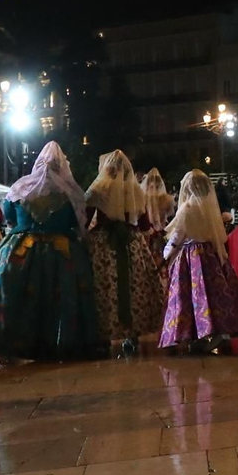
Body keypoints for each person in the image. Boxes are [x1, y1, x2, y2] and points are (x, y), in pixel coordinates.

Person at [0, 141, 105, 360]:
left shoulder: (21, 187)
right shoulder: (70, 192)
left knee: (11, 292)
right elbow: (78, 222)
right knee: (64, 295)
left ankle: (11, 343)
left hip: (21, 249)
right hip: (62, 250)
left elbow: (8, 216)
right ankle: (62, 343)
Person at [160, 170, 238, 353]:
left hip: (190, 257)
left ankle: (192, 334)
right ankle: (218, 332)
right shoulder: (209, 208)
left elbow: (178, 236)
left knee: (189, 296)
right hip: (210, 254)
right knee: (214, 294)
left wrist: (166, 254)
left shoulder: (187, 208)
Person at [84, 148, 164, 355]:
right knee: (134, 286)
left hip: (104, 245)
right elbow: (145, 223)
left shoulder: (99, 188)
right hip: (131, 242)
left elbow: (85, 219)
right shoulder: (135, 190)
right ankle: (132, 334)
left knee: (104, 287)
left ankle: (104, 335)